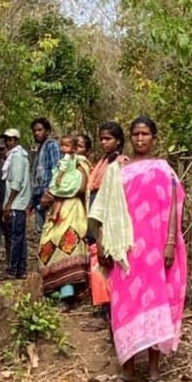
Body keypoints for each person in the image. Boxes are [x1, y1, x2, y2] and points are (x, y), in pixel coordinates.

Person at [90, 117, 187, 382]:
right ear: (130, 138)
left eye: (145, 134)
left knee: (156, 303)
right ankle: (128, 370)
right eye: (136, 134)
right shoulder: (118, 170)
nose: (140, 139)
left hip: (156, 251)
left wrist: (170, 243)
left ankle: (154, 371)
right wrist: (103, 245)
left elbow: (173, 208)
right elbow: (105, 211)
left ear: (154, 137)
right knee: (124, 306)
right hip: (126, 251)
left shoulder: (163, 169)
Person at [38, 134, 92, 307]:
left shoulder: (83, 165)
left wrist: (56, 192)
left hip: (74, 210)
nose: (74, 149)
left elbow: (78, 187)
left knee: (67, 244)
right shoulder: (64, 163)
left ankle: (68, 292)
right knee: (47, 242)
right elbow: (56, 183)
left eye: (81, 146)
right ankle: (53, 287)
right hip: (59, 209)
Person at [84, 122, 128, 332]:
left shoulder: (120, 162)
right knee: (97, 262)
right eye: (101, 138)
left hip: (107, 220)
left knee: (106, 263)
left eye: (108, 138)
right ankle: (102, 308)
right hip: (94, 216)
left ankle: (108, 311)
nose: (104, 142)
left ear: (118, 140)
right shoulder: (103, 161)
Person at [0, 128, 32, 279]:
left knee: (15, 237)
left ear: (16, 141)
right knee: (19, 236)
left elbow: (17, 183)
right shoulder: (14, 156)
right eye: (6, 139)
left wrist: (9, 204)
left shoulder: (17, 157)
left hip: (16, 204)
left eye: (11, 139)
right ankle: (20, 269)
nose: (8, 142)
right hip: (17, 203)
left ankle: (13, 269)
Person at [28, 117, 61, 234]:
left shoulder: (52, 146)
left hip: (48, 195)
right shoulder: (39, 149)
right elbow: (36, 175)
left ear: (47, 131)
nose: (36, 133)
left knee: (49, 231)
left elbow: (56, 169)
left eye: (40, 130)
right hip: (38, 195)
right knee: (40, 231)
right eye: (35, 131)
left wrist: (49, 193)